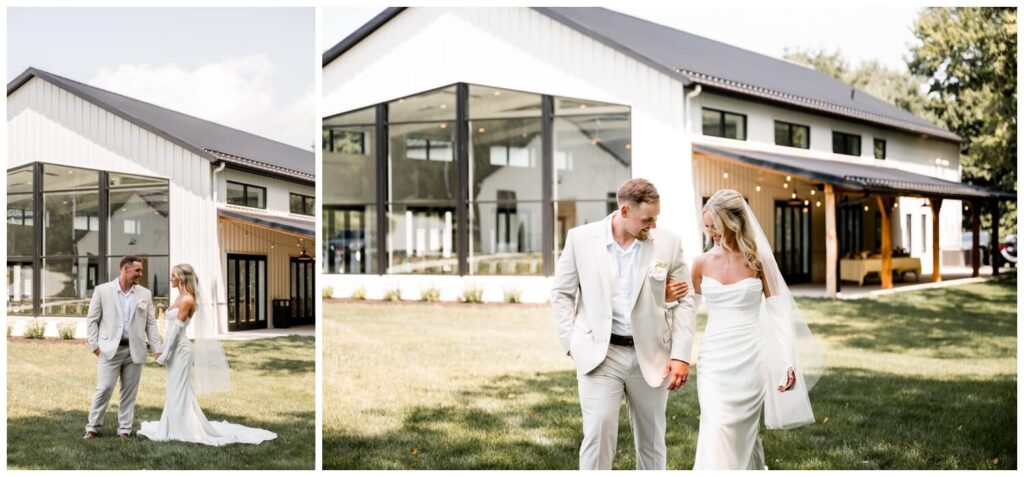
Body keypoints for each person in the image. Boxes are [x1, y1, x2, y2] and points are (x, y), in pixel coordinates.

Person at [551, 178, 699, 470]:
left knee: (653, 441)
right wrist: (571, 344)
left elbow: (686, 300)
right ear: (625, 211)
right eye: (648, 218)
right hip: (599, 356)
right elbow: (562, 293)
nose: (653, 225)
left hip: (653, 355)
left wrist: (681, 354)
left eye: (656, 217)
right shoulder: (580, 239)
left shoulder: (669, 243)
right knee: (597, 437)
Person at [685, 189, 822, 469]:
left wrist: (787, 361)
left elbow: (778, 312)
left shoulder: (759, 260)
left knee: (743, 432)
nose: (711, 232)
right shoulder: (700, 263)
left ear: (734, 223)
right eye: (707, 226)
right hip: (714, 359)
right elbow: (687, 309)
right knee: (717, 425)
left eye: (716, 226)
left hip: (751, 357)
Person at [137, 263, 276, 446]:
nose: (170, 278)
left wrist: (164, 354)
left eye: (173, 276)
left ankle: (184, 429)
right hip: (174, 347)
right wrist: (162, 349)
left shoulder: (187, 300)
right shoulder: (180, 296)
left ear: (182, 278)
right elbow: (170, 330)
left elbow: (177, 331)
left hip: (181, 350)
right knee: (175, 390)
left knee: (180, 390)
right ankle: (173, 426)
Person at [84, 255, 162, 439]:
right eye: (137, 270)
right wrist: (95, 346)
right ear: (125, 269)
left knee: (129, 393)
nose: (140, 274)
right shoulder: (102, 291)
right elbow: (92, 320)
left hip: (135, 350)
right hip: (108, 350)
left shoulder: (145, 294)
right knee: (103, 389)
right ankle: (92, 427)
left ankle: (124, 430)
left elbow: (151, 323)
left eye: (140, 271)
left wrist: (157, 348)